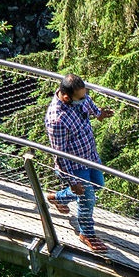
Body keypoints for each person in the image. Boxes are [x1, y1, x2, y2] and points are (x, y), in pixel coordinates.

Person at [45, 73, 110, 252]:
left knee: (98, 184)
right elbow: (60, 155)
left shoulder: (78, 98)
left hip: (89, 155)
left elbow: (87, 103)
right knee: (87, 199)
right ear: (66, 97)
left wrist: (98, 114)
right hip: (74, 167)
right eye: (80, 97)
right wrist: (73, 183)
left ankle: (57, 198)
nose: (84, 99)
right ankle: (86, 234)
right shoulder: (56, 120)